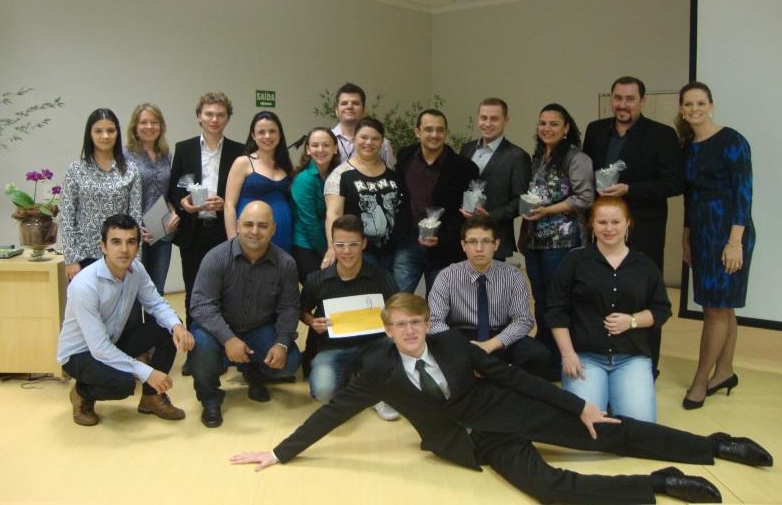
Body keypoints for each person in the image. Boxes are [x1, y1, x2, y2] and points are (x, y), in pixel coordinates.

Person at [231, 293, 773, 505]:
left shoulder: (451, 343)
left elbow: (512, 377)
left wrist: (577, 405)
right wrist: (279, 452)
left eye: (417, 323)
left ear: (426, 323)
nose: (411, 332)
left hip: (507, 410)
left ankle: (714, 445)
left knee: (610, 430)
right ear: (388, 329)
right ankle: (658, 483)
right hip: (476, 442)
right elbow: (333, 412)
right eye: (401, 326)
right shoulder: (377, 369)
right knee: (549, 489)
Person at [583, 76, 683, 376]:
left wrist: (630, 189)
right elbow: (588, 173)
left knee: (643, 294)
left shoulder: (662, 134)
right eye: (618, 98)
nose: (622, 104)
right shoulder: (596, 130)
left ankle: (646, 365)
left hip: (644, 230)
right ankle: (604, 357)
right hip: (603, 228)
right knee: (600, 291)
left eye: (629, 99)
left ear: (642, 101)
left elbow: (674, 183)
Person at [57, 214, 194, 426]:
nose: (124, 249)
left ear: (138, 246)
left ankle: (151, 398)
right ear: (103, 247)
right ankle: (82, 393)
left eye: (131, 242)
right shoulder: (84, 285)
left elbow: (156, 303)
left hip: (112, 341)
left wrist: (177, 326)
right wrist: (147, 372)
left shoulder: (136, 269)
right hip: (80, 354)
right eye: (116, 242)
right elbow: (99, 348)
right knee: (122, 385)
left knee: (167, 327)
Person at [545, 196, 671, 422]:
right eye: (602, 222)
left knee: (640, 428)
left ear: (628, 223)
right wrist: (568, 354)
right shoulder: (574, 262)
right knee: (586, 427)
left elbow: (661, 309)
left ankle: (615, 397)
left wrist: (632, 321)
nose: (609, 228)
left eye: (616, 222)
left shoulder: (645, 265)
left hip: (631, 357)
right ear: (592, 224)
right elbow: (556, 310)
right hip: (584, 357)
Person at [675, 81, 755, 410]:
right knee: (722, 307)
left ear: (711, 104)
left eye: (700, 103)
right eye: (688, 104)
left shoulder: (732, 140)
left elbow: (744, 193)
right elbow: (690, 197)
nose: (694, 109)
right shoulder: (688, 147)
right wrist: (687, 236)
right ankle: (724, 371)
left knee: (715, 310)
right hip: (702, 234)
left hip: (729, 233)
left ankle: (700, 379)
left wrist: (734, 242)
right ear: (682, 109)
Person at [189, 201, 302, 428]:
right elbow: (201, 305)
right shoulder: (216, 258)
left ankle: (254, 372)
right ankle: (210, 398)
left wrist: (281, 342)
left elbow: (289, 307)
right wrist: (228, 339)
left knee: (290, 361)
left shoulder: (285, 263)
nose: (255, 231)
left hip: (258, 328)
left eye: (263, 226)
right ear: (238, 225)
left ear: (273, 229)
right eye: (249, 224)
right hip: (217, 331)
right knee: (200, 345)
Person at [301, 214, 400, 420]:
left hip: (374, 346)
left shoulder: (381, 277)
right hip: (332, 348)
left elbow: (399, 309)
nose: (346, 251)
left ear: (363, 243)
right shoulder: (316, 279)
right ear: (332, 244)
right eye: (340, 245)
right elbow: (302, 310)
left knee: (398, 350)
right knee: (323, 392)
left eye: (353, 244)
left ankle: (374, 390)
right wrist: (312, 322)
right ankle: (360, 381)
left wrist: (390, 322)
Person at [521, 103, 594, 380]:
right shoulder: (538, 157)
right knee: (540, 301)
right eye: (542, 123)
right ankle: (545, 357)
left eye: (553, 124)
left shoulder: (576, 158)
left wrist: (548, 210)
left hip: (563, 241)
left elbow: (585, 198)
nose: (546, 128)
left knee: (558, 302)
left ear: (566, 128)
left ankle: (562, 360)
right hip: (535, 241)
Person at [428, 214, 549, 377]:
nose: (479, 248)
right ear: (463, 245)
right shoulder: (447, 276)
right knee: (432, 350)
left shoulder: (512, 275)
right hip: (460, 337)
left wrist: (491, 344)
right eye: (472, 242)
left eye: (486, 241)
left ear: (496, 244)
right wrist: (465, 348)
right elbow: (435, 322)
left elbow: (523, 320)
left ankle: (506, 386)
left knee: (538, 355)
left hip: (500, 336)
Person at [168, 91, 244, 338]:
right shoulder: (184, 148)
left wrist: (227, 204)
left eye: (220, 115)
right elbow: (174, 188)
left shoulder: (239, 151)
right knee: (194, 290)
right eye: (209, 114)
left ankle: (224, 343)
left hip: (224, 231)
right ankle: (197, 346)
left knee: (226, 289)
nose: (214, 119)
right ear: (199, 116)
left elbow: (243, 192)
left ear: (227, 118)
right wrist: (183, 203)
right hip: (193, 231)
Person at [393, 109, 478, 295]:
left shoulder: (465, 168)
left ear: (446, 133)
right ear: (417, 132)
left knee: (440, 305)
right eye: (428, 129)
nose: (434, 135)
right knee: (398, 301)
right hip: (408, 243)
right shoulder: (405, 157)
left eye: (440, 130)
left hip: (445, 248)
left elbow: (465, 213)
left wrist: (444, 238)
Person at [62, 108, 142, 281]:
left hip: (120, 255)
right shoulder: (75, 170)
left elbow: (135, 216)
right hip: (84, 256)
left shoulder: (130, 170)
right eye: (98, 131)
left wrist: (136, 256)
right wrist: (71, 259)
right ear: (90, 134)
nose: (105, 136)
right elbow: (67, 217)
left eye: (110, 131)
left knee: (122, 299)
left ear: (117, 133)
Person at [324, 117, 404, 272]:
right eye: (364, 137)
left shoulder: (392, 174)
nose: (369, 143)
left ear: (382, 142)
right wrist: (332, 247)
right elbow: (333, 214)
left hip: (392, 251)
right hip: (359, 251)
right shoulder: (340, 175)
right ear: (355, 139)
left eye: (375, 139)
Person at [459, 97, 530, 259]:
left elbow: (521, 200)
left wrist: (490, 215)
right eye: (483, 118)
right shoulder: (467, 149)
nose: (488, 123)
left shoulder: (517, 156)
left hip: (495, 238)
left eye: (494, 119)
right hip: (465, 237)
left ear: (506, 120)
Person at [124, 102, 180, 295]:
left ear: (161, 126)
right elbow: (121, 197)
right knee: (132, 291)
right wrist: (135, 228)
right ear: (135, 126)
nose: (149, 127)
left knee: (156, 291)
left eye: (154, 122)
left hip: (162, 231)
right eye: (144, 122)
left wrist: (174, 212)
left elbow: (167, 192)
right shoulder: (125, 155)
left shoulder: (166, 155)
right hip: (133, 232)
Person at [225, 110, 294, 253]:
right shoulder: (243, 162)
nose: (267, 136)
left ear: (279, 135)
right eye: (261, 132)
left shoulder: (285, 165)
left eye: (272, 131)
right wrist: (232, 242)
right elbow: (229, 205)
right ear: (253, 135)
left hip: (284, 236)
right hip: (251, 236)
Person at [290, 127, 340, 284]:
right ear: (308, 149)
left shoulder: (337, 175)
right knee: (324, 288)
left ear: (335, 148)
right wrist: (329, 250)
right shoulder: (304, 179)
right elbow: (309, 222)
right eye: (315, 145)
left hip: (331, 245)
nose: (320, 149)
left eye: (326, 145)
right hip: (307, 246)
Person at [331, 82, 395, 168]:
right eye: (344, 103)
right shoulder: (326, 141)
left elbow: (389, 173)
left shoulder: (382, 144)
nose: (349, 106)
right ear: (336, 110)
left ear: (364, 110)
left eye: (355, 103)